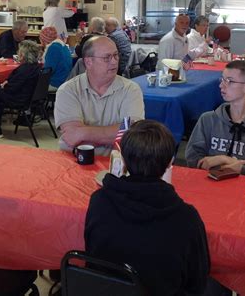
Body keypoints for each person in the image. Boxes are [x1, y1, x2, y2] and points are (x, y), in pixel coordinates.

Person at [85, 119, 210, 296]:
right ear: (169, 163)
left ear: (124, 162)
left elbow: (92, 254)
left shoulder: (99, 201)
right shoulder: (187, 218)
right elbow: (197, 282)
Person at [186, 60, 245, 180]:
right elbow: (192, 158)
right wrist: (224, 160)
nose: (221, 85)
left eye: (229, 81)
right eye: (222, 79)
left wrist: (239, 168)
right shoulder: (208, 120)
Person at [54, 36, 144, 155]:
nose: (114, 61)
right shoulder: (68, 90)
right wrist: (115, 133)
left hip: (116, 165)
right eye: (107, 57)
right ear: (88, 62)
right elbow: (72, 137)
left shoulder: (131, 89)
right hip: (75, 162)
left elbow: (132, 135)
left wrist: (83, 133)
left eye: (116, 55)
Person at [0, 40, 41, 139]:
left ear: (22, 55)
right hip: (30, 98)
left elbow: (11, 88)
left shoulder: (24, 69)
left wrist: (4, 85)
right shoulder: (34, 67)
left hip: (20, 100)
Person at [40, 26, 72, 91]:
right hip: (64, 80)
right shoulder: (62, 46)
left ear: (43, 39)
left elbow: (48, 71)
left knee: (29, 85)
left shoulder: (53, 48)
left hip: (56, 83)